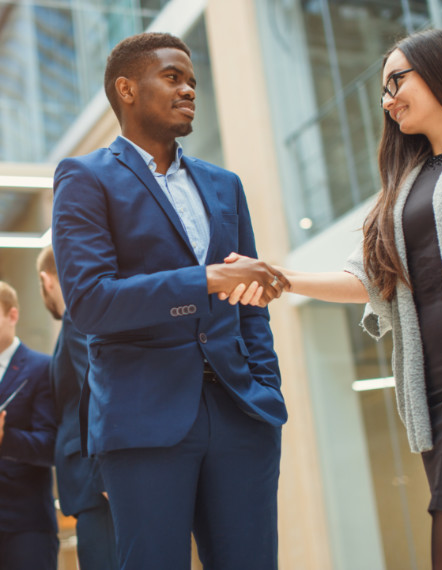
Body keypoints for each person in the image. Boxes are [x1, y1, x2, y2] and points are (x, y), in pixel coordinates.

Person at [224, 28, 442, 569]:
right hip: (435, 401)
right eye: (383, 91)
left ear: (440, 70)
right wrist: (281, 279)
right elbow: (372, 279)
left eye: (396, 81)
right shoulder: (403, 186)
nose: (388, 101)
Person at [51, 32, 289, 569]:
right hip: (143, 418)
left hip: (241, 410)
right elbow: (90, 302)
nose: (189, 90)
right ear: (127, 89)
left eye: (192, 81)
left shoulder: (225, 184)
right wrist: (202, 280)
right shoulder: (85, 178)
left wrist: (266, 388)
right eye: (173, 77)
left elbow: (250, 300)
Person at [37, 245, 119, 570]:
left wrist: (104, 475)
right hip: (94, 486)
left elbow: (97, 390)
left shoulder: (76, 318)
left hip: (96, 485)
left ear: (47, 280)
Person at [0, 281, 58, 569]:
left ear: (12, 315)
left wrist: (4, 438)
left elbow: (50, 446)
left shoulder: (41, 368)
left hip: (25, 524)